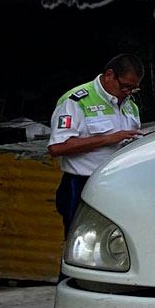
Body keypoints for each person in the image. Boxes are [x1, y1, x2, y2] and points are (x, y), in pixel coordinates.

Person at [48, 54, 144, 233]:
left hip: (120, 183)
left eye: (134, 89)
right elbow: (57, 147)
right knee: (81, 239)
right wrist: (109, 138)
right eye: (125, 86)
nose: (128, 93)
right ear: (109, 75)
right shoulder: (76, 101)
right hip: (83, 183)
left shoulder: (130, 106)